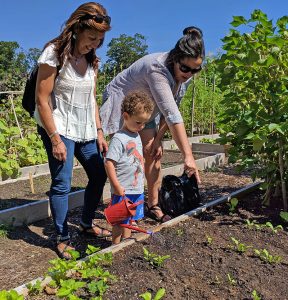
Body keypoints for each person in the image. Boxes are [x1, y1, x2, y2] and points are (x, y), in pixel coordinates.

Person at [100, 26, 205, 223]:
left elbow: (169, 113)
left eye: (196, 69)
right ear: (175, 59)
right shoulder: (157, 68)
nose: (190, 73)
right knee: (127, 156)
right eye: (185, 68)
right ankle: (122, 207)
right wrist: (188, 156)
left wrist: (157, 140)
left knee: (154, 154)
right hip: (125, 104)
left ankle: (153, 205)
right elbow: (173, 115)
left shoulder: (184, 77)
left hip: (148, 110)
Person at [34, 2, 112, 259]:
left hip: (86, 127)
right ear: (77, 28)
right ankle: (61, 236)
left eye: (99, 40)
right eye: (92, 38)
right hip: (59, 127)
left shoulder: (93, 60)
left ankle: (87, 223)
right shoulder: (54, 54)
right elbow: (42, 100)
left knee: (99, 174)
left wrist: (100, 131)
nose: (95, 44)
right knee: (62, 183)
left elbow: (91, 99)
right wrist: (54, 138)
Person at [104, 91, 154, 244]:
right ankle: (115, 245)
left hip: (135, 188)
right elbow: (109, 162)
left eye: (144, 123)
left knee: (130, 218)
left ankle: (126, 242)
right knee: (119, 221)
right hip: (123, 189)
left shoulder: (136, 135)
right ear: (126, 116)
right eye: (138, 122)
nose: (142, 126)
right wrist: (116, 185)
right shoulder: (119, 138)